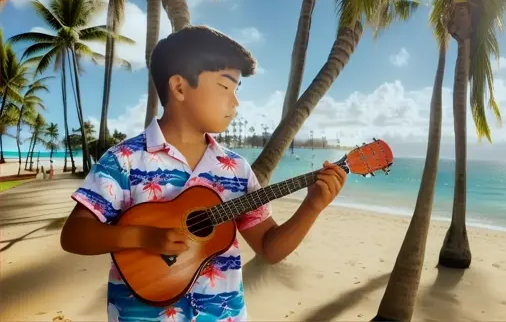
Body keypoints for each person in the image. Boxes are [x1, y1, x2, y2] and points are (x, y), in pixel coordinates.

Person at [59, 26, 347, 321]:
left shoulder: (236, 169)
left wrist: (312, 206)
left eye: (237, 90)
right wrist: (145, 237)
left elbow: (269, 248)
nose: (235, 102)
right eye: (225, 87)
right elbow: (75, 235)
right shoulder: (125, 160)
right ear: (180, 87)